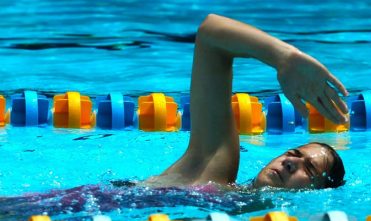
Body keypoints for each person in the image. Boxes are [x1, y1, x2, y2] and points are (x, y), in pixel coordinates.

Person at [146, 14, 349, 190]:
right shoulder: (212, 170)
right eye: (292, 153)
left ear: (317, 192)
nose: (290, 161)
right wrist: (284, 58)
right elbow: (211, 33)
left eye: (309, 168)